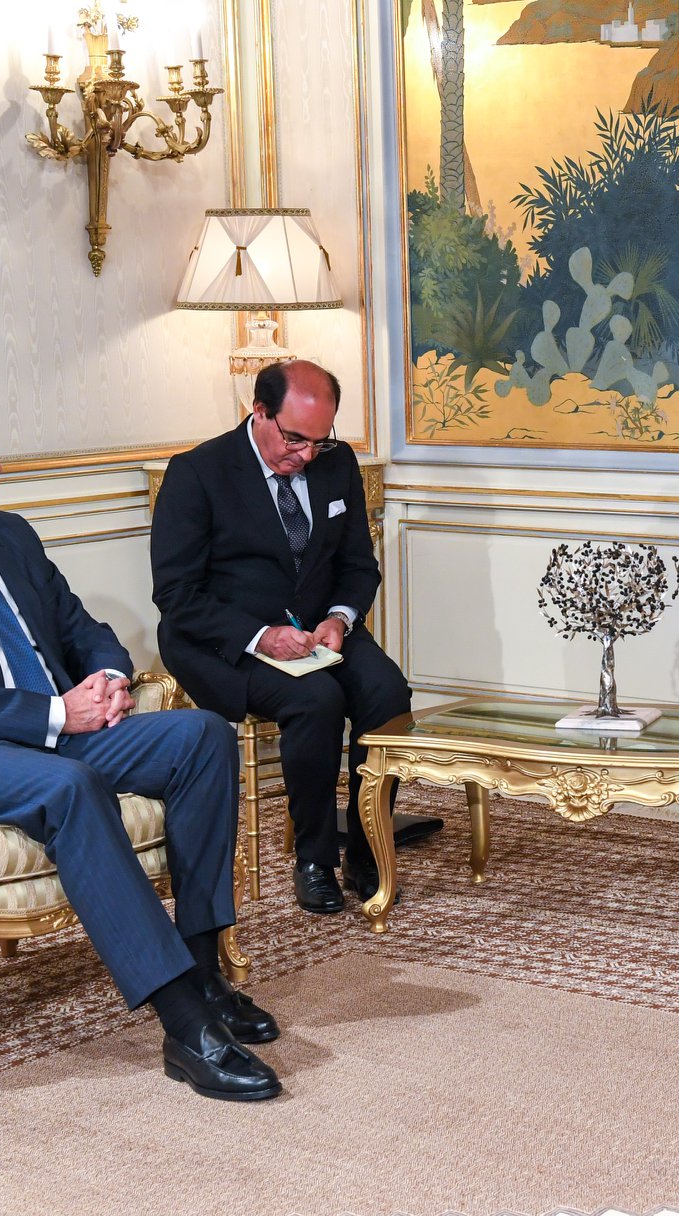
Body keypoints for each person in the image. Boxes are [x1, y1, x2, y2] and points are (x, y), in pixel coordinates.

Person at [0, 392, 281, 1102]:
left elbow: (79, 626)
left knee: (202, 735)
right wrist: (57, 712)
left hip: (51, 730)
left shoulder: (8, 534)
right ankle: (186, 1024)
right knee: (69, 787)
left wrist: (108, 678)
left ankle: (206, 972)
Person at [150, 360, 417, 915]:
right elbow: (176, 594)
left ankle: (367, 848)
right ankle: (314, 859)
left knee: (388, 693)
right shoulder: (197, 473)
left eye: (320, 441)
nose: (307, 455)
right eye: (295, 439)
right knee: (315, 700)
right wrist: (261, 636)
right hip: (225, 639)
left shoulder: (336, 464)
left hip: (318, 630)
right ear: (260, 411)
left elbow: (358, 565)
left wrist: (340, 619)